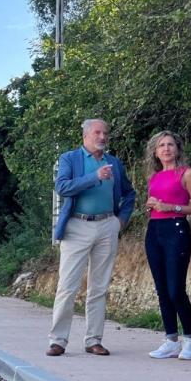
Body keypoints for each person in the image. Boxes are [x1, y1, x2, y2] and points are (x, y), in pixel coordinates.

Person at [47, 119, 136, 357]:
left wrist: (121, 220)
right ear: (86, 135)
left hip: (107, 225)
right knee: (67, 286)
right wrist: (94, 177)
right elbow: (62, 187)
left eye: (106, 132)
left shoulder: (114, 163)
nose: (103, 136)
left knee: (99, 287)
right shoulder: (70, 159)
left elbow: (129, 194)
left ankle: (93, 340)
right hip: (77, 225)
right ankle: (58, 340)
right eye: (97, 132)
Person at [142, 131, 191, 360]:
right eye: (161, 146)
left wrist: (171, 207)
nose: (166, 149)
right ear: (155, 152)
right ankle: (170, 339)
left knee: (175, 288)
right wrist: (152, 206)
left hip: (177, 230)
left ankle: (190, 339)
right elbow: (156, 204)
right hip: (154, 231)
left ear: (177, 149)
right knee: (162, 289)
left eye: (170, 145)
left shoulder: (187, 174)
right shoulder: (154, 177)